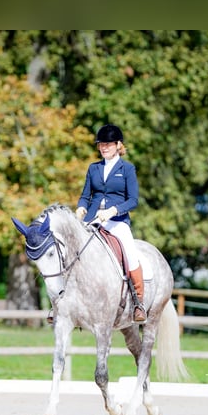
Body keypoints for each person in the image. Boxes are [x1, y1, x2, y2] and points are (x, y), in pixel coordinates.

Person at [75, 124, 147, 322]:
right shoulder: (94, 168)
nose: (103, 148)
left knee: (130, 252)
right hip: (93, 219)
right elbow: (85, 195)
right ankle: (65, 300)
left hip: (116, 220)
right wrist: (81, 207)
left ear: (118, 145)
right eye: (101, 145)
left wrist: (114, 210)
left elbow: (133, 200)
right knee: (72, 250)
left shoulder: (127, 169)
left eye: (108, 144)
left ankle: (138, 300)